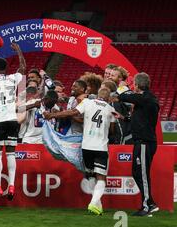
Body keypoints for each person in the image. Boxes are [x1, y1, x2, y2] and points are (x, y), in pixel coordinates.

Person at [45, 87, 116, 215]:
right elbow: (112, 131)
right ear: (108, 98)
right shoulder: (110, 109)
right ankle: (93, 203)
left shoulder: (87, 102)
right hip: (100, 147)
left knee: (91, 174)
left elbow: (72, 112)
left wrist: (52, 115)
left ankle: (97, 206)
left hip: (86, 146)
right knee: (101, 177)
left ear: (97, 95)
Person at [0, 42, 26, 200]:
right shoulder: (12, 79)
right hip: (12, 120)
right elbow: (23, 68)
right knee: (10, 153)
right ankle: (12, 185)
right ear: (6, 69)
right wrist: (19, 51)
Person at [114, 72, 160, 217]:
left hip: (145, 142)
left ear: (138, 85)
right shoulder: (145, 100)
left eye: (134, 84)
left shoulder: (146, 98)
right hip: (141, 141)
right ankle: (149, 202)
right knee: (136, 172)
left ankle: (148, 205)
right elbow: (140, 118)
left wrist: (122, 87)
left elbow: (124, 96)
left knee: (143, 174)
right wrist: (125, 117)